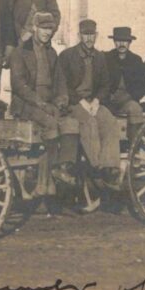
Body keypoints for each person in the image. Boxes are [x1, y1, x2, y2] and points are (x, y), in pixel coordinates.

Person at [9, 12, 78, 204]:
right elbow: (18, 85)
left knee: (71, 122)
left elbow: (60, 82)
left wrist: (62, 101)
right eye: (44, 28)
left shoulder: (51, 53)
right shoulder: (20, 52)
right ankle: (50, 173)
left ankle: (62, 167)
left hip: (49, 103)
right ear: (34, 28)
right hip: (27, 104)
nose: (48, 33)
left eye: (50, 29)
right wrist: (40, 103)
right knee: (51, 124)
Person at [55, 19, 121, 186]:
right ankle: (97, 166)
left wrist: (97, 100)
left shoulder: (100, 57)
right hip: (74, 103)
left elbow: (105, 84)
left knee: (110, 121)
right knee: (89, 123)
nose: (89, 39)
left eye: (92, 35)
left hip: (94, 103)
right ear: (79, 36)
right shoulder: (67, 56)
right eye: (85, 35)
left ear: (96, 35)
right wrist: (81, 102)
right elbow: (62, 85)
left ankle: (110, 167)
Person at [103, 26, 145, 146]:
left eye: (125, 41)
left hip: (128, 101)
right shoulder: (106, 58)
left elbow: (143, 84)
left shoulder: (136, 60)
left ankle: (134, 147)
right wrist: (107, 96)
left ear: (129, 42)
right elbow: (100, 81)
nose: (121, 44)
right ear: (114, 42)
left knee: (136, 109)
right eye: (118, 41)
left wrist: (131, 96)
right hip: (108, 101)